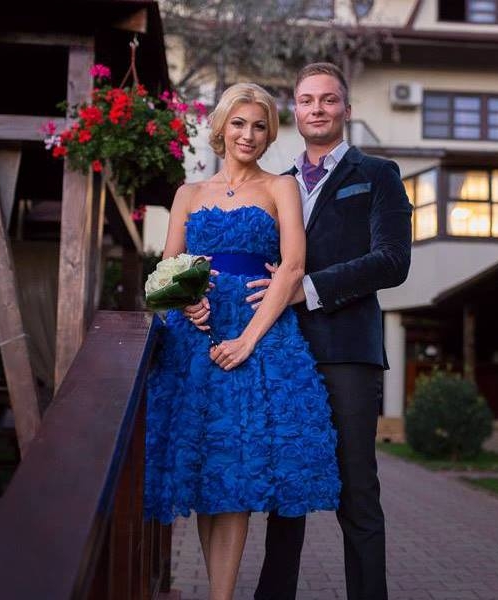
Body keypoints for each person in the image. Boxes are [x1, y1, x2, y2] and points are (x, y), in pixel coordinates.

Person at [144, 82, 341, 600]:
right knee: (208, 474)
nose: (248, 135)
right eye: (238, 123)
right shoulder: (188, 194)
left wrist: (249, 340)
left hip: (259, 342)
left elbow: (293, 267)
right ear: (221, 127)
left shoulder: (281, 187)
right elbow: (166, 270)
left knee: (236, 473)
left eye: (258, 126)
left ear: (269, 134)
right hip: (195, 344)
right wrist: (186, 300)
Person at [245, 63, 413, 600]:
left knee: (357, 491)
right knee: (285, 492)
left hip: (348, 354)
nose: (317, 108)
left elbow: (392, 261)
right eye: (307, 100)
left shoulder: (378, 174)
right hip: (285, 351)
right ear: (294, 111)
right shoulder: (277, 184)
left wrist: (307, 287)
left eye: (328, 99)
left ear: (346, 109)